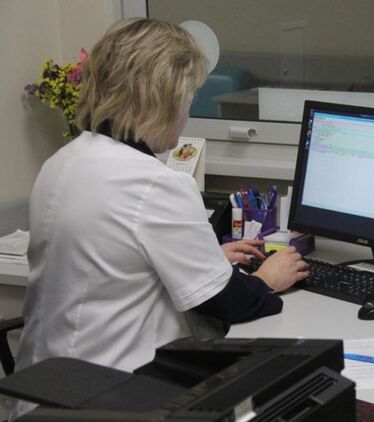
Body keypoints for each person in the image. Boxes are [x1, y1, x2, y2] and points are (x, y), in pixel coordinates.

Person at [11, 18, 309, 419]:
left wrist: (209, 258)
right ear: (163, 101)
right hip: (113, 396)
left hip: (40, 392)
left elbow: (112, 264)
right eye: (188, 99)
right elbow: (228, 303)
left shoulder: (64, 161)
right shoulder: (155, 184)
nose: (188, 112)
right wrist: (267, 279)